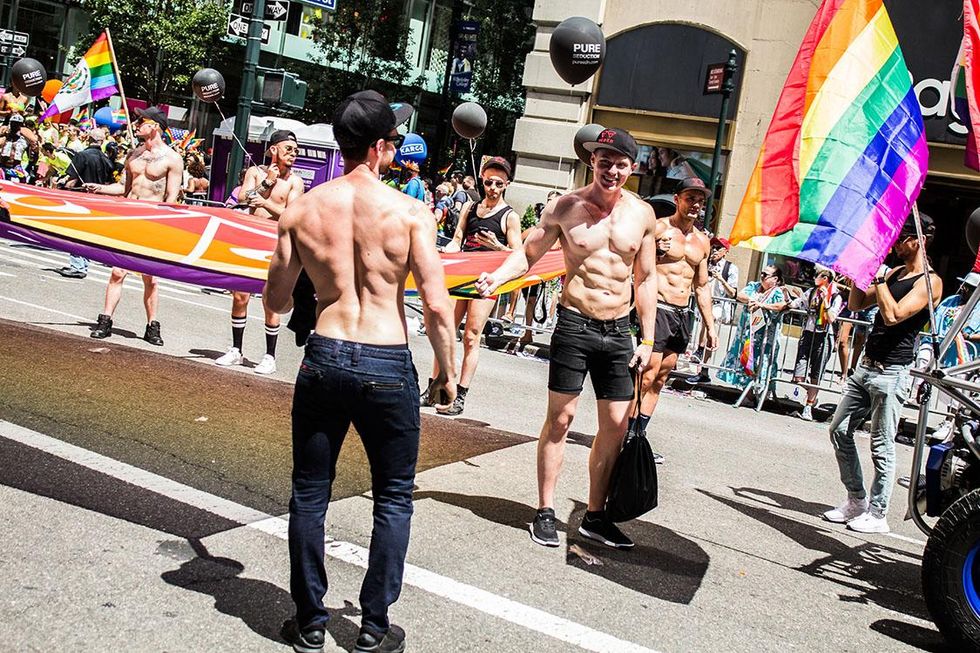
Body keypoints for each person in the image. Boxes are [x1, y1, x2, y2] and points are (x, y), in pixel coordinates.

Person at [264, 89, 456, 653]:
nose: (395, 149)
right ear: (378, 148)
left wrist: (312, 277)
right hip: (385, 359)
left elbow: (274, 300)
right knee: (393, 495)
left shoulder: (301, 209)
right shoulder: (409, 211)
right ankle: (373, 627)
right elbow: (440, 306)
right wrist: (449, 375)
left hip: (324, 354)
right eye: (393, 141)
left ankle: (310, 622)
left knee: (310, 492)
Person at [476, 127, 659, 550]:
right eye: (604, 161)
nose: (611, 170)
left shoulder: (642, 214)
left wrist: (647, 340)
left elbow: (646, 278)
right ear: (591, 162)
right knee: (560, 419)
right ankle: (545, 509)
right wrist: (497, 278)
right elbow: (527, 253)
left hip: (618, 331)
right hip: (575, 326)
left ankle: (596, 516)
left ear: (632, 168)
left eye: (620, 163)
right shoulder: (565, 207)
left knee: (615, 425)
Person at [823, 212, 941, 534]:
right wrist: (859, 274)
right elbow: (859, 304)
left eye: (901, 238)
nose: (894, 244)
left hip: (892, 373)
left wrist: (877, 277)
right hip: (867, 367)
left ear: (919, 240)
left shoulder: (930, 283)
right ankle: (856, 500)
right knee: (839, 430)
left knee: (882, 445)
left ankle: (878, 514)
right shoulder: (896, 273)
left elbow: (893, 315)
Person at [421, 156, 522, 415]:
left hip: (487, 282)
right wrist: (444, 254)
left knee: (471, 336)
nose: (493, 188)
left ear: (507, 185)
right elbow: (457, 239)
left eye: (499, 184)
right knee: (445, 331)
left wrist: (496, 247)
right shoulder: (469, 207)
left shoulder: (510, 216)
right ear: (482, 180)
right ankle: (435, 389)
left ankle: (461, 395)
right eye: (489, 182)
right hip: (462, 277)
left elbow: (518, 255)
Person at [635, 177, 718, 461]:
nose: (696, 205)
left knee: (661, 379)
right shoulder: (658, 228)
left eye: (700, 200)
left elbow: (702, 286)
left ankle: (638, 437)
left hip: (682, 314)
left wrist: (710, 325)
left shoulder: (702, 241)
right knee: (646, 375)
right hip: (657, 308)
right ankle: (624, 434)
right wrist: (657, 251)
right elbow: (638, 268)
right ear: (677, 199)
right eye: (690, 198)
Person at [85, 107, 184, 346]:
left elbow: (172, 198)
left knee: (150, 278)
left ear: (156, 126)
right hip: (130, 222)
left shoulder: (172, 159)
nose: (137, 123)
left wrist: (163, 227)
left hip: (152, 223)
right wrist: (100, 188)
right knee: (117, 272)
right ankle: (105, 321)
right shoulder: (134, 155)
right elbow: (124, 189)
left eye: (142, 120)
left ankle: (152, 326)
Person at [214, 130, 305, 375]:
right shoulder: (255, 172)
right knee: (239, 296)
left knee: (271, 300)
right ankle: (236, 350)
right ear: (273, 150)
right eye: (288, 149)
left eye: (295, 151)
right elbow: (243, 198)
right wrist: (266, 183)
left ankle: (269, 356)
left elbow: (291, 215)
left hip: (276, 245)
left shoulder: (295, 182)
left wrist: (264, 202)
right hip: (250, 241)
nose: (293, 155)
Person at [717, 265, 789, 396]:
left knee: (761, 361)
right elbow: (738, 295)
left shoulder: (777, 291)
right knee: (745, 358)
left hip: (765, 337)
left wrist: (762, 305)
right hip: (747, 332)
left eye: (765, 275)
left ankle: (759, 393)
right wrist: (722, 280)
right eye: (761, 273)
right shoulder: (753, 286)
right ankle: (747, 392)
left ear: (775, 279)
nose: (761, 276)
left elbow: (782, 305)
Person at [55, 128, 115, 279]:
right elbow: (108, 183)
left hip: (80, 199)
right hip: (99, 200)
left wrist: (60, 184)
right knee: (88, 235)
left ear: (89, 138)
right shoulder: (107, 160)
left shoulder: (82, 156)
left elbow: (71, 182)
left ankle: (78, 266)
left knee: (76, 233)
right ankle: (82, 265)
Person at [789, 268, 844, 421]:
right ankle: (812, 391)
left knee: (816, 374)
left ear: (826, 278)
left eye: (818, 275)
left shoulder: (835, 296)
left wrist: (826, 300)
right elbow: (798, 303)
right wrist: (787, 301)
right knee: (798, 376)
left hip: (824, 336)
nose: (814, 277)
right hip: (808, 333)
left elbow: (832, 317)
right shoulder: (811, 292)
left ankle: (808, 406)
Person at [689, 236, 738, 383]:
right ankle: (703, 370)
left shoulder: (731, 268)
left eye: (718, 248)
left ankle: (700, 348)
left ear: (726, 251)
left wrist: (720, 279)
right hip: (703, 304)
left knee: (710, 320)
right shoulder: (704, 263)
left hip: (719, 306)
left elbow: (733, 293)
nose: (715, 250)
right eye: (713, 247)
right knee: (709, 327)